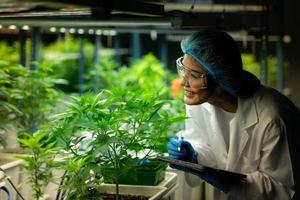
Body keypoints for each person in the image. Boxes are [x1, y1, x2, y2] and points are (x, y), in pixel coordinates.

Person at [167, 29, 299, 199]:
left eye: (193, 75)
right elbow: (209, 148)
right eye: (183, 69)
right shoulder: (199, 101)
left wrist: (229, 182)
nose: (183, 81)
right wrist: (193, 156)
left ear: (219, 77)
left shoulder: (271, 116)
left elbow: (281, 188)